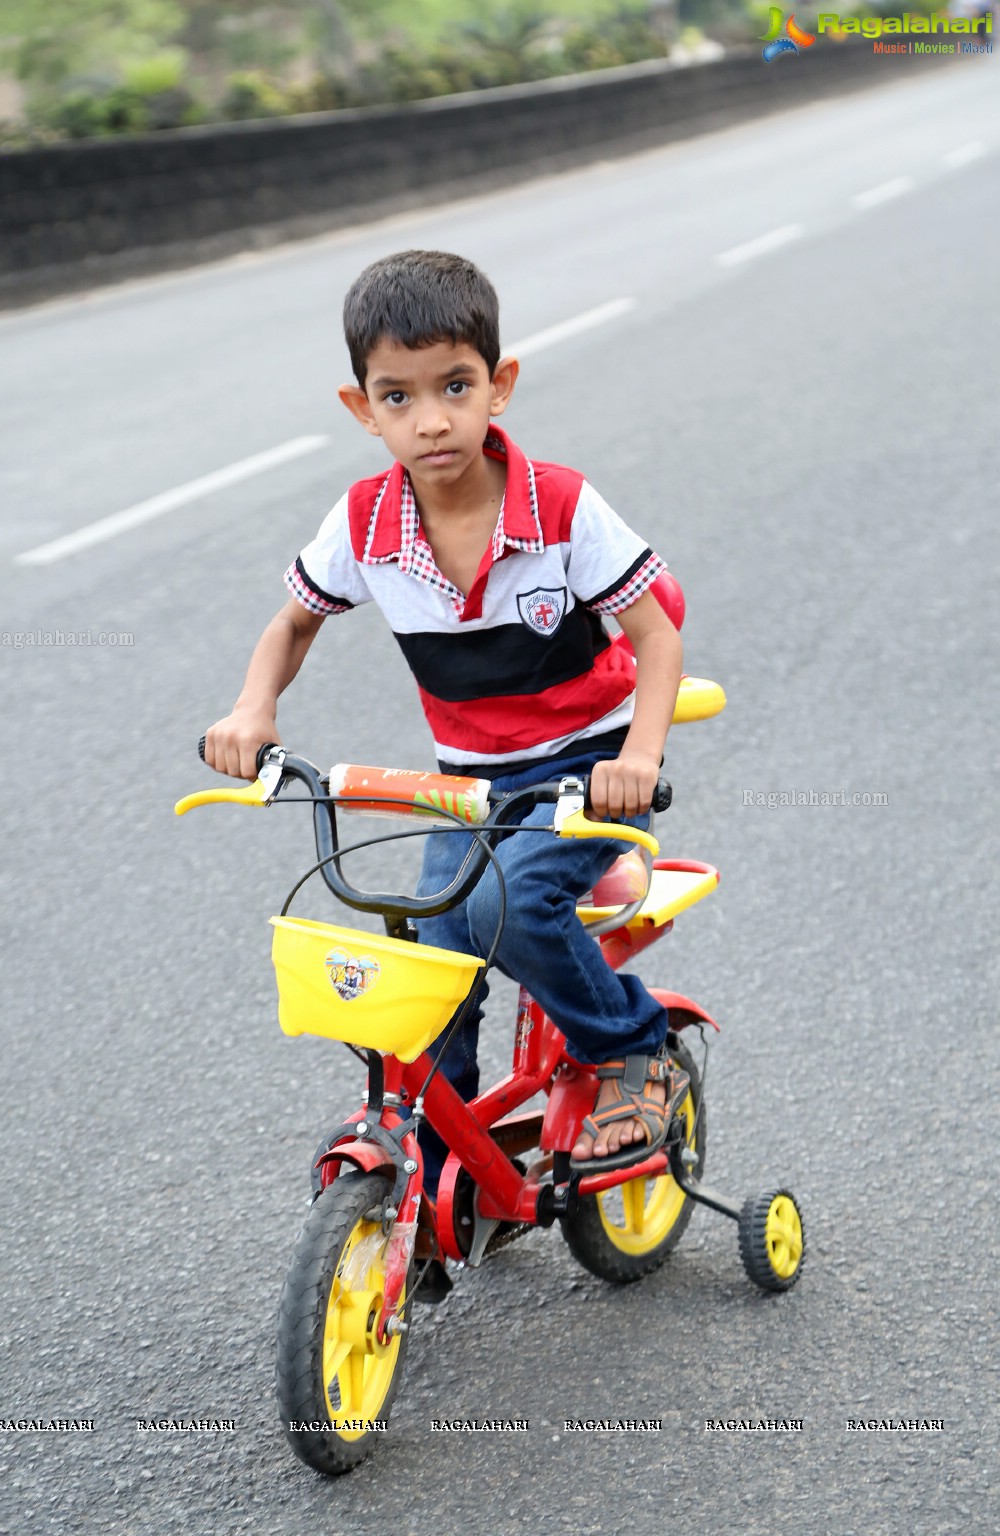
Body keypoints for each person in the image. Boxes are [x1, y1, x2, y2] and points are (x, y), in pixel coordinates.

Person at [204, 249, 687, 1196]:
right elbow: (294, 620)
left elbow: (655, 632)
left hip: (582, 769)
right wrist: (252, 708)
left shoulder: (560, 507)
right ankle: (440, 1144)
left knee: (500, 903)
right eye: (398, 397)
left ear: (498, 386)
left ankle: (635, 1048)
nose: (430, 421)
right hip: (469, 779)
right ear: (361, 408)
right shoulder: (364, 523)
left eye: (455, 387)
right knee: (433, 948)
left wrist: (637, 755)